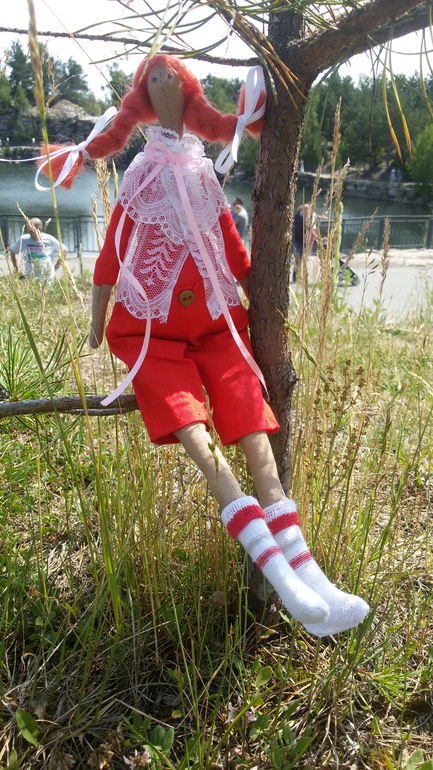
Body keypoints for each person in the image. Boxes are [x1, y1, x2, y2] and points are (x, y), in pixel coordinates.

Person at [38, 54, 369, 637]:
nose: (165, 93)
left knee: (250, 420)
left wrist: (260, 288)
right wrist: (96, 319)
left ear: (189, 100)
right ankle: (285, 578)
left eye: (173, 85)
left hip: (218, 324)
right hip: (152, 330)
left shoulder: (203, 178)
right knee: (193, 426)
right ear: (141, 104)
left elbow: (232, 249)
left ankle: (310, 573)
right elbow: (112, 254)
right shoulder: (140, 179)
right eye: (155, 86)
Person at [10, 218, 68, 284]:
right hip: (30, 277)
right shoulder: (24, 239)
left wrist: (56, 266)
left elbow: (64, 250)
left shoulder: (49, 239)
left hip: (47, 278)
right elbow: (12, 251)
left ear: (39, 230)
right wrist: (17, 269)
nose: (29, 232)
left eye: (31, 231)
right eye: (28, 230)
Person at [292, 203, 317, 282]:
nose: (308, 211)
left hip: (299, 242)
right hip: (299, 243)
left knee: (299, 261)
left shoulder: (298, 217)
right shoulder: (302, 219)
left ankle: (297, 277)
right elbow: (310, 231)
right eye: (307, 210)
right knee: (298, 261)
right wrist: (317, 237)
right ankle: (296, 277)